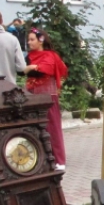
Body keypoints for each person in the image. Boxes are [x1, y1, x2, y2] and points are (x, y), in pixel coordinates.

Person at [24, 27, 68, 171]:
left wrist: (32, 67)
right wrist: (31, 67)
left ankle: (59, 159)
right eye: (28, 40)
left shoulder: (50, 55)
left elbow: (47, 69)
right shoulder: (29, 56)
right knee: (34, 127)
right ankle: (39, 159)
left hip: (48, 96)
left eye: (32, 39)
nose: (29, 42)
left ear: (40, 40)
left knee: (52, 127)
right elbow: (22, 70)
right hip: (32, 95)